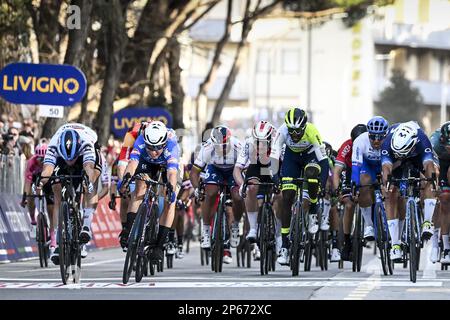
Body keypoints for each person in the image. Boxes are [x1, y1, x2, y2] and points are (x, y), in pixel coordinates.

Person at [270, 107, 329, 265]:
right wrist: (276, 180)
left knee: (311, 173)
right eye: (292, 131)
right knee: (286, 196)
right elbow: (274, 158)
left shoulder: (312, 130)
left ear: (304, 127)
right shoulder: (282, 131)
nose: (294, 135)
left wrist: (322, 185)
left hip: (310, 156)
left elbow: (323, 161)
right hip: (292, 157)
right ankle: (284, 246)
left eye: (298, 131)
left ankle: (313, 210)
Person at [37, 123, 102, 265]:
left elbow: (89, 167)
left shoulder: (86, 144)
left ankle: (86, 225)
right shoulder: (54, 145)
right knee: (57, 194)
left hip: (85, 156)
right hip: (62, 155)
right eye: (68, 160)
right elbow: (47, 170)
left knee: (90, 185)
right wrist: (41, 183)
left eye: (71, 159)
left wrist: (88, 180)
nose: (70, 162)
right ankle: (58, 244)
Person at [119, 121, 179, 262]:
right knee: (139, 188)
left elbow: (172, 173)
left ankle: (158, 246)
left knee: (170, 200)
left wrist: (170, 187)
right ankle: (130, 230)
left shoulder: (172, 144)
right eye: (150, 147)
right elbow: (132, 163)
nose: (153, 152)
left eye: (157, 148)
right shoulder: (140, 140)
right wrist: (127, 178)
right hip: (146, 163)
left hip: (166, 165)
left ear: (164, 144)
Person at [381, 121, 437, 261]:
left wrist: (432, 182)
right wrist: (387, 185)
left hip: (417, 157)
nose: (401, 155)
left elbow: (429, 165)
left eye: (402, 154)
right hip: (396, 163)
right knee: (391, 192)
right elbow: (386, 169)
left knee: (429, 180)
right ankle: (395, 245)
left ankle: (427, 222)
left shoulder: (421, 139)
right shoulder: (387, 143)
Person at [190, 125, 245, 264]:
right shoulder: (207, 147)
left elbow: (246, 169)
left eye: (224, 146)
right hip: (215, 169)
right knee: (211, 193)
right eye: (218, 146)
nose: (221, 149)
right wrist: (197, 188)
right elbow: (194, 172)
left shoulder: (238, 146)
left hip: (234, 170)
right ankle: (206, 230)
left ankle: (235, 225)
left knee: (238, 197)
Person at [331, 124, 367, 261]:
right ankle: (346, 241)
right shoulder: (346, 146)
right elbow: (336, 172)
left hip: (364, 170)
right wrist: (338, 189)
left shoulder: (371, 145)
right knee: (349, 204)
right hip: (349, 171)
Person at [351, 117, 390, 244]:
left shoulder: (391, 140)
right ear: (368, 134)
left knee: (391, 189)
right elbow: (356, 166)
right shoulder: (360, 141)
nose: (376, 141)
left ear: (386, 135)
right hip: (368, 166)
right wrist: (355, 186)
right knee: (364, 183)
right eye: (373, 137)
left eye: (380, 137)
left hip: (387, 164)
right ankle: (369, 226)